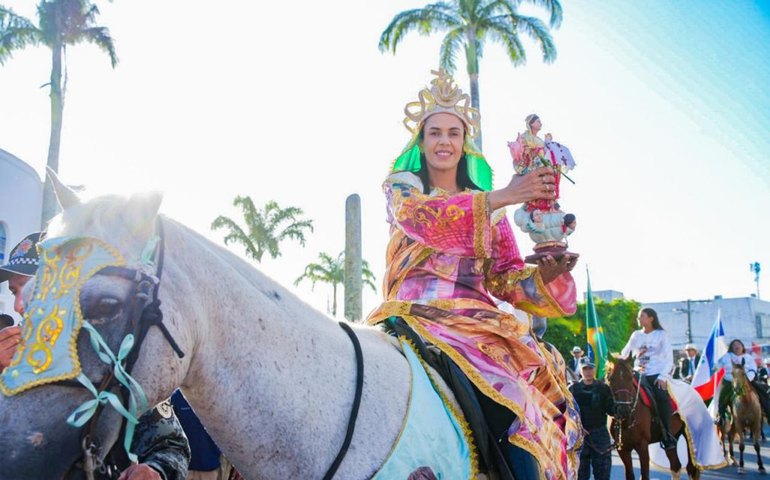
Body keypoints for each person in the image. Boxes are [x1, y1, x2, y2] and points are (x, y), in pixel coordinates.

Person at [367, 70, 580, 480]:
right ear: (421, 142)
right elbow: (425, 221)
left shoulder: (495, 215)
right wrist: (507, 195)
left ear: (465, 143)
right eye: (434, 133)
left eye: (453, 133)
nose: (444, 141)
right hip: (411, 312)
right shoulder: (403, 188)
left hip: (477, 325)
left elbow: (505, 280)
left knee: (521, 401)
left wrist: (547, 275)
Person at [0, 232, 191, 480]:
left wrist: (155, 471)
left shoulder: (112, 362)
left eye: (29, 288)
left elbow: (170, 446)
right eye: (14, 291)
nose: (17, 305)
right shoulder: (7, 363)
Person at [620, 307, 676, 449]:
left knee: (662, 397)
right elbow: (625, 353)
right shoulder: (636, 335)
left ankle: (667, 434)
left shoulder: (661, 335)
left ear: (651, 318)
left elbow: (669, 359)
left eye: (642, 316)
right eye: (639, 317)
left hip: (656, 374)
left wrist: (663, 377)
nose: (639, 319)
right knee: (620, 392)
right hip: (638, 373)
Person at [569, 359, 614, 480]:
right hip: (579, 436)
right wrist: (578, 427)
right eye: (585, 368)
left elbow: (612, 410)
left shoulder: (603, 388)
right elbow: (567, 414)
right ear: (580, 370)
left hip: (600, 435)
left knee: (603, 474)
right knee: (580, 475)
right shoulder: (572, 389)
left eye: (590, 368)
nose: (588, 372)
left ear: (595, 369)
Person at [716, 339, 770, 425]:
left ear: (742, 347)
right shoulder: (726, 357)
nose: (737, 346)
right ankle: (721, 416)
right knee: (722, 397)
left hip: (747, 380)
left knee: (763, 392)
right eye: (734, 345)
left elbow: (753, 368)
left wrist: (748, 378)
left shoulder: (748, 357)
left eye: (739, 345)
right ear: (731, 347)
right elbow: (717, 366)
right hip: (730, 381)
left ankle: (767, 412)